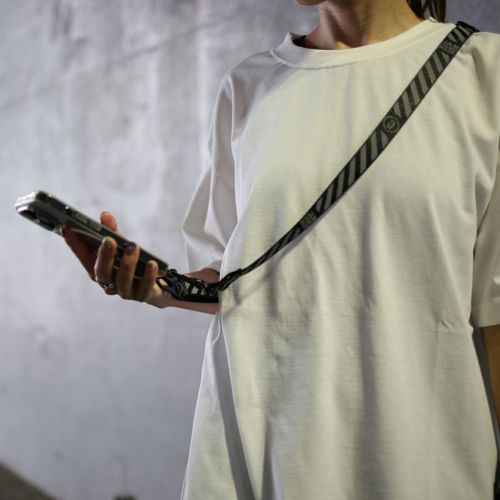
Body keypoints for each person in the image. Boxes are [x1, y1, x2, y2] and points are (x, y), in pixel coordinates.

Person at [62, 0, 500, 498]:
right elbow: (233, 280)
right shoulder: (249, 85)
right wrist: (158, 286)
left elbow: (495, 309)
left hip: (418, 458)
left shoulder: (482, 72)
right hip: (256, 444)